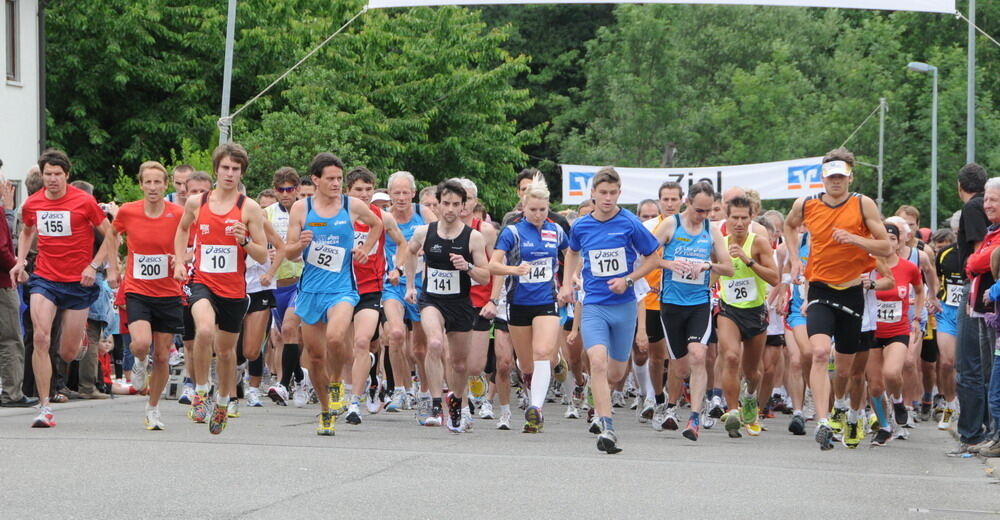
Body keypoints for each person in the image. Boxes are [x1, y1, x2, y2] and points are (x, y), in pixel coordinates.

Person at [782, 148, 891, 450]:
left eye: (841, 176)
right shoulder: (806, 204)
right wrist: (794, 259)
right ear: (823, 177)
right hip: (819, 289)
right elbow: (789, 226)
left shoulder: (862, 204)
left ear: (850, 176)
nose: (836, 182)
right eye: (831, 177)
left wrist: (856, 239)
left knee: (844, 369)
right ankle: (822, 420)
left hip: (853, 291)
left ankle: (843, 406)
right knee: (818, 353)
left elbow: (885, 248)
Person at [11, 149, 121, 427]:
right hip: (45, 278)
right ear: (42, 174)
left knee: (68, 353)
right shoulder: (33, 204)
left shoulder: (84, 201)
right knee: (40, 338)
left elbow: (110, 235)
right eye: (47, 174)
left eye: (57, 174)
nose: (52, 179)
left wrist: (95, 267)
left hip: (78, 281)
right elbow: (26, 231)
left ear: (67, 176)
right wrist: (21, 261)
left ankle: (79, 336)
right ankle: (44, 406)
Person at [559, 167, 661, 453]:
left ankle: (601, 397)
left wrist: (628, 279)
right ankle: (607, 427)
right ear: (592, 193)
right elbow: (572, 252)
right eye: (602, 193)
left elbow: (653, 259)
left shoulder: (629, 222)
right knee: (598, 362)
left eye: (613, 193)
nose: (607, 198)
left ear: (619, 193)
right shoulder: (580, 225)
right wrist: (567, 284)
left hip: (624, 306)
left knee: (615, 372)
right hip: (593, 305)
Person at [172, 143, 268, 435]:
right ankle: (201, 390)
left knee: (226, 352)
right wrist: (179, 260)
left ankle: (223, 401)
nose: (229, 173)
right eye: (225, 167)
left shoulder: (248, 207)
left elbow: (263, 254)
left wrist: (244, 241)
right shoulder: (197, 203)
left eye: (235, 169)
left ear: (241, 173)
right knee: (202, 331)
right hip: (202, 281)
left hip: (233, 290)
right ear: (217, 169)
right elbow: (182, 229)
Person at [284, 153, 382, 436]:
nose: (337, 183)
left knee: (336, 336)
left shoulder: (352, 206)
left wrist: (366, 248)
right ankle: (326, 409)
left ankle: (338, 382)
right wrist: (299, 244)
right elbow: (288, 250)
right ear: (316, 180)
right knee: (315, 357)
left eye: (339, 178)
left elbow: (377, 224)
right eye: (331, 179)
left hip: (342, 288)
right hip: (311, 289)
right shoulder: (302, 209)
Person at [646, 182, 734, 442]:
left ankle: (694, 417)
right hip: (671, 304)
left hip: (699, 303)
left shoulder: (711, 230)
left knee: (699, 354)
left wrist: (707, 265)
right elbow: (646, 256)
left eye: (707, 211)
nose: (702, 216)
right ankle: (671, 405)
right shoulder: (670, 225)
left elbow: (728, 267)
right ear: (687, 202)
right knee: (680, 366)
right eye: (698, 210)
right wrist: (669, 263)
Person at [404, 179, 490, 433]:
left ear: (464, 207)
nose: (450, 209)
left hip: (461, 304)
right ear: (438, 205)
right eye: (446, 203)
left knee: (460, 363)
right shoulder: (424, 233)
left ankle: (458, 404)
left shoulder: (473, 238)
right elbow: (409, 252)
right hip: (432, 300)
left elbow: (485, 275)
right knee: (435, 343)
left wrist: (468, 267)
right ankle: (433, 403)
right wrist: (411, 284)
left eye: (456, 204)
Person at [489, 173, 568, 433]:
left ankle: (536, 409)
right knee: (526, 364)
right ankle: (551, 364)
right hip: (518, 302)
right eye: (533, 209)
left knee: (542, 352)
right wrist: (514, 271)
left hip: (546, 300)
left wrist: (570, 282)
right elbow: (493, 264)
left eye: (543, 210)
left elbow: (572, 256)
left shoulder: (555, 230)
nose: (538, 214)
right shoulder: (512, 231)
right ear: (523, 207)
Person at [112, 161, 185, 430]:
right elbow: (112, 234)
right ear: (141, 184)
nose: (153, 187)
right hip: (137, 289)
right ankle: (141, 361)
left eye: (158, 182)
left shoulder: (177, 213)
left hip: (168, 291)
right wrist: (112, 265)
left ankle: (152, 409)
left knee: (164, 356)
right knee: (141, 344)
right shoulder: (128, 212)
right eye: (148, 182)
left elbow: (191, 246)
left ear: (165, 185)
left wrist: (179, 260)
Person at [343, 166, 407, 425]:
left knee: (361, 342)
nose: (364, 194)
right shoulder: (339, 216)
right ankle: (364, 378)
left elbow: (402, 244)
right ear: (349, 191)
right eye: (359, 189)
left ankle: (354, 403)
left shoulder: (382, 216)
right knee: (344, 347)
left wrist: (397, 268)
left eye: (369, 189)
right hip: (341, 287)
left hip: (370, 289)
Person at [716, 196, 778, 438]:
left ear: (751, 218)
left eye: (744, 218)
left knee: (752, 372)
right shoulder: (719, 244)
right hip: (728, 308)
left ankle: (750, 398)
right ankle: (732, 411)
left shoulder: (759, 243)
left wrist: (747, 260)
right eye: (734, 218)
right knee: (730, 356)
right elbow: (712, 275)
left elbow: (774, 278)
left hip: (755, 311)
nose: (739, 223)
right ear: (727, 218)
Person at [381, 171, 436, 419]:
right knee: (395, 334)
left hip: (421, 283)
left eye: (405, 192)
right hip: (392, 282)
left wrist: (426, 249)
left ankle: (424, 392)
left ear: (413, 194)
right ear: (390, 194)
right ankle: (400, 389)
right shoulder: (384, 217)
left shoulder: (422, 213)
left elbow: (440, 236)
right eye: (396, 193)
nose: (401, 197)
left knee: (420, 349)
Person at [865, 222, 922, 446]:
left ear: (899, 243)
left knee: (891, 373)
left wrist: (917, 317)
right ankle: (885, 427)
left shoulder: (908, 268)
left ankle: (898, 400)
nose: (887, 243)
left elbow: (919, 289)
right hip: (871, 331)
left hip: (898, 330)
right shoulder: (867, 266)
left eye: (892, 238)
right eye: (883, 238)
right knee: (876, 385)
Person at [951, 163, 995, 455]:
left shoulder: (972, 207)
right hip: (987, 291)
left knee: (969, 365)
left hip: (979, 290)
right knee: (984, 364)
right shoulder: (984, 207)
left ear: (960, 187)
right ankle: (984, 429)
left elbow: (982, 251)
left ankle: (971, 433)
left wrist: (971, 265)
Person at [263, 167, 305, 406]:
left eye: (290, 189)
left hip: (300, 280)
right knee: (281, 336)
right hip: (275, 283)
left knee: (289, 330)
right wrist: (263, 254)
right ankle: (300, 378)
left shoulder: (307, 212)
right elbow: (257, 243)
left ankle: (283, 382)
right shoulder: (266, 213)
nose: (286, 194)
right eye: (281, 190)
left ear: (297, 190)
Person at [931, 228, 960, 429]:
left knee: (965, 365)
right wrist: (933, 298)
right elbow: (935, 278)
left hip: (971, 313)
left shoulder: (980, 252)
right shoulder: (945, 254)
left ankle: (966, 405)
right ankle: (950, 404)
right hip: (947, 311)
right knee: (947, 363)